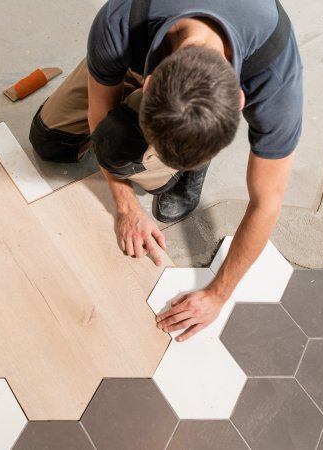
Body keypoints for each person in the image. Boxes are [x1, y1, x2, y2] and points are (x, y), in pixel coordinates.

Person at [29, 0, 302, 341]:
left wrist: (218, 293)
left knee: (129, 148)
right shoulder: (121, 20)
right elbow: (101, 118)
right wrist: (126, 205)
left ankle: (196, 150)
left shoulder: (274, 71)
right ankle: (164, 121)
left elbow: (267, 201)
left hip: (177, 65)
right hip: (137, 52)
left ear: (241, 100)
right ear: (150, 81)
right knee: (53, 142)